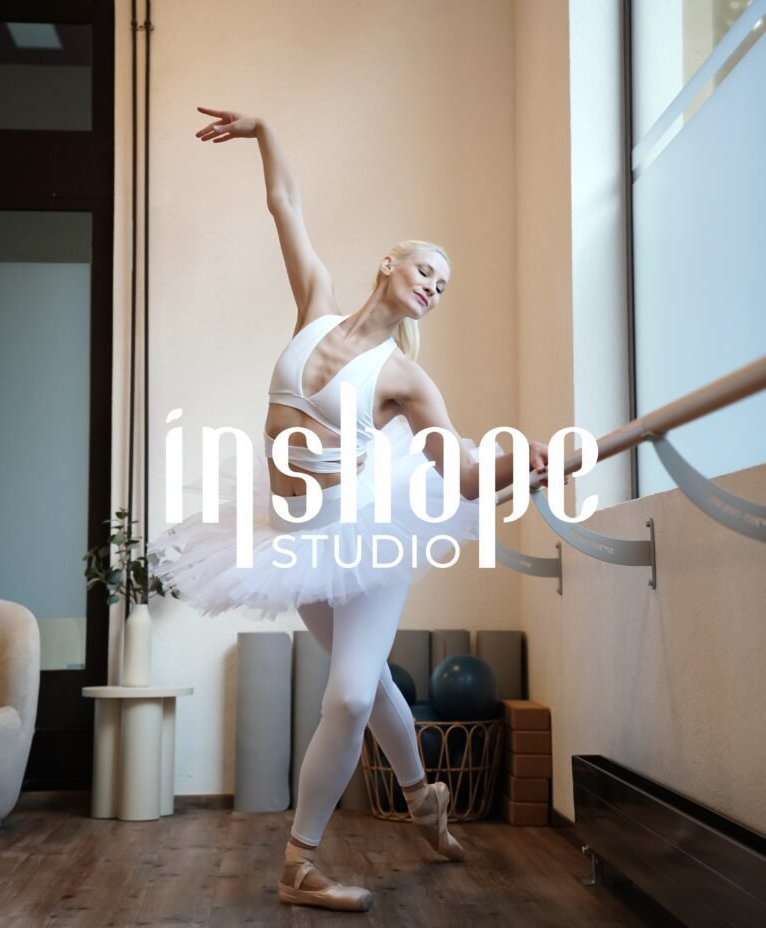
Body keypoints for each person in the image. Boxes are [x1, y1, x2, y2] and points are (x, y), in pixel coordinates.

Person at [148, 107, 551, 913]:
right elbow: (287, 205)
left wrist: (522, 467)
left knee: (349, 698)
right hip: (294, 539)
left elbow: (463, 475)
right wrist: (263, 131)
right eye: (426, 268)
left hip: (364, 535)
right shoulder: (316, 309)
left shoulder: (407, 381)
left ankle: (297, 860)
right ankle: (424, 797)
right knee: (367, 689)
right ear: (389, 263)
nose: (434, 284)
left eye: (444, 283)